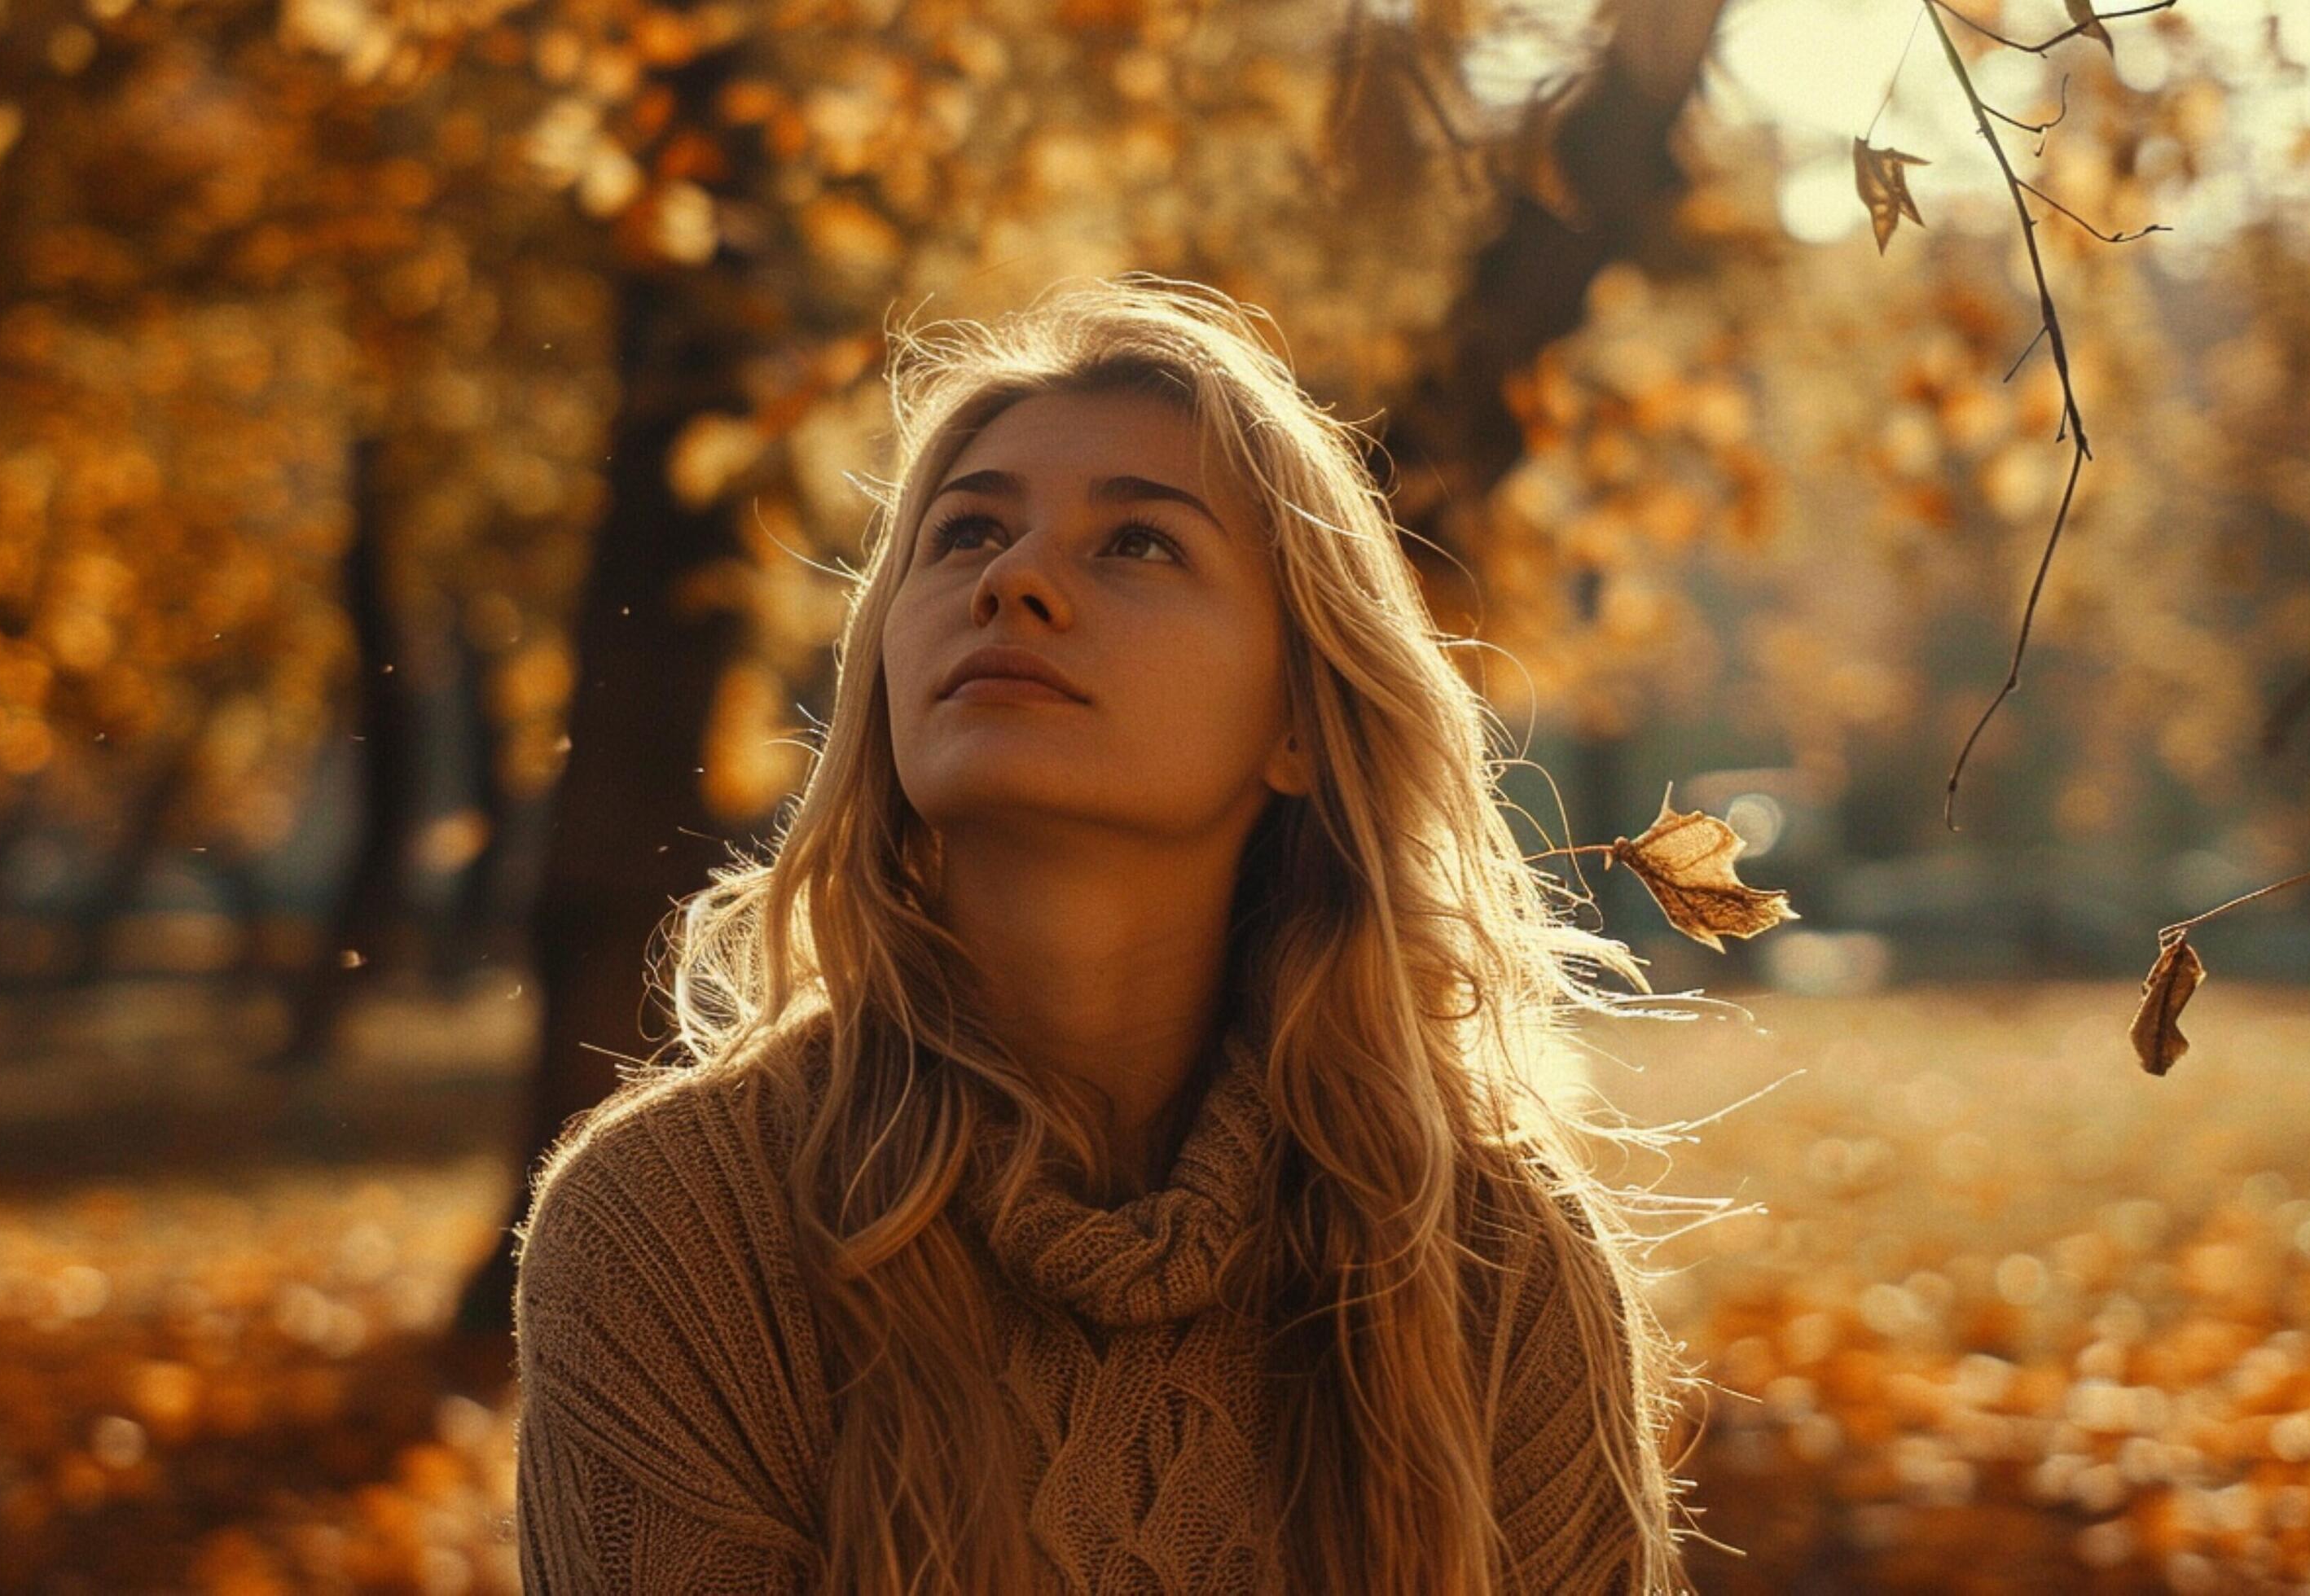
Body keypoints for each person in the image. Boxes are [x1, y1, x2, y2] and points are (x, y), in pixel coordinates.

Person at [511, 274, 1706, 1593]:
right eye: (963, 535)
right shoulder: (681, 1224)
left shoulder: (1490, 1254)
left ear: (1299, 722)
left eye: (1137, 543)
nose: (1014, 580)